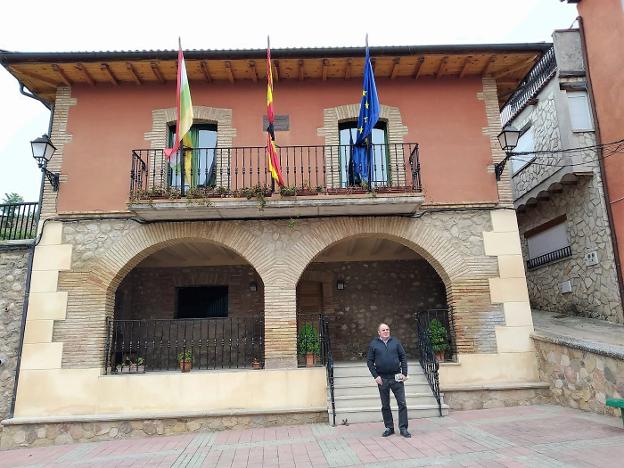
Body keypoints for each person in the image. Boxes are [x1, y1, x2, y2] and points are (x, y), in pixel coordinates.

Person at [366, 323, 411, 438]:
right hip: (383, 379)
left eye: (387, 329)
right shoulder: (374, 344)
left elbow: (403, 357)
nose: (386, 331)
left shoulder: (395, 342)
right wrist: (376, 376)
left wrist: (404, 373)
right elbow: (369, 361)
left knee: (402, 404)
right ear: (379, 333)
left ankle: (403, 428)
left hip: (396, 378)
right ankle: (389, 428)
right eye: (383, 330)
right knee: (385, 405)